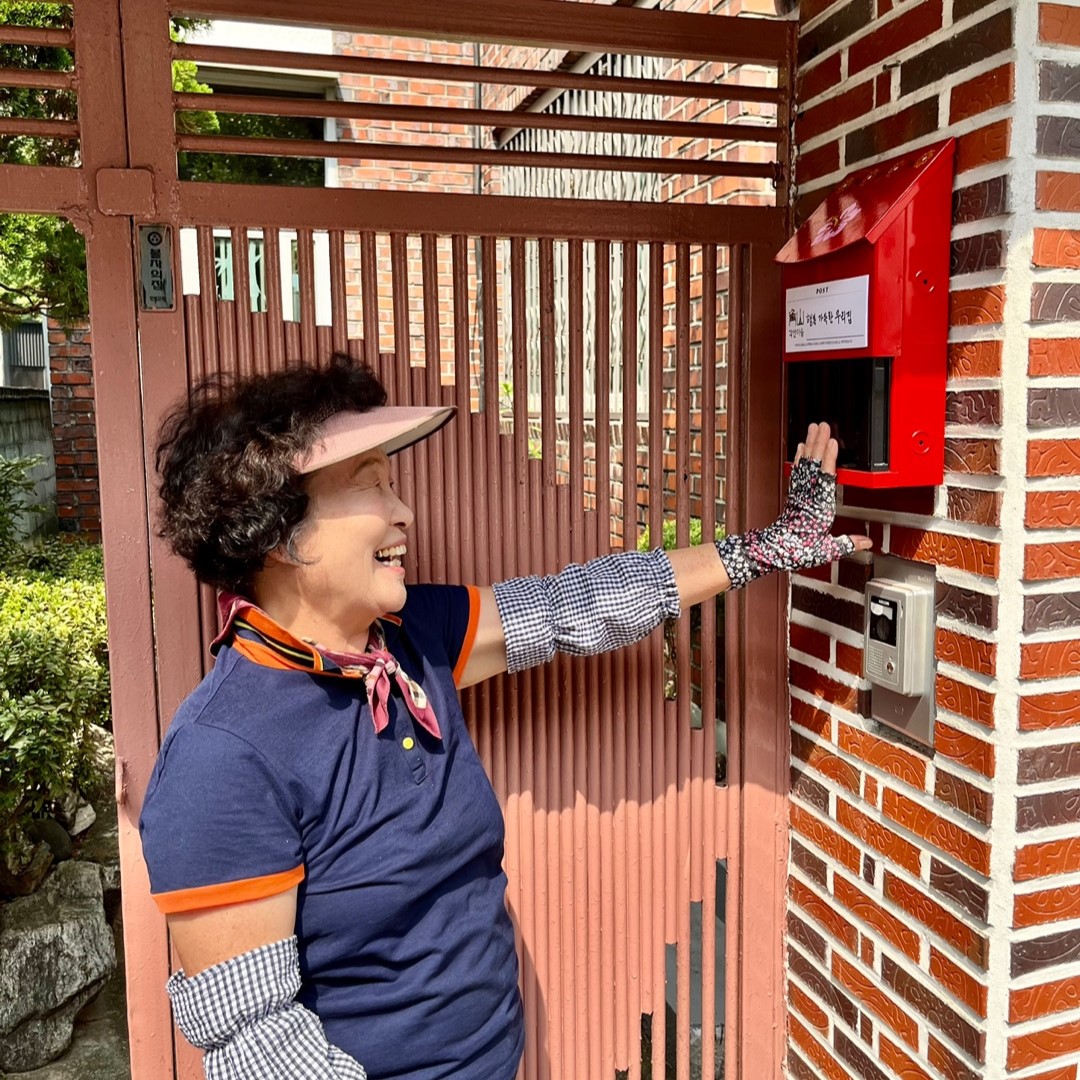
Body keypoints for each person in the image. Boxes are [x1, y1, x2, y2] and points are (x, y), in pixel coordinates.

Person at [139, 353, 871, 1080]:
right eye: (371, 489)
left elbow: (575, 606)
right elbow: (258, 1045)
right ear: (275, 529)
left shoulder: (412, 638)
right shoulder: (222, 758)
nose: (404, 514)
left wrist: (768, 548)